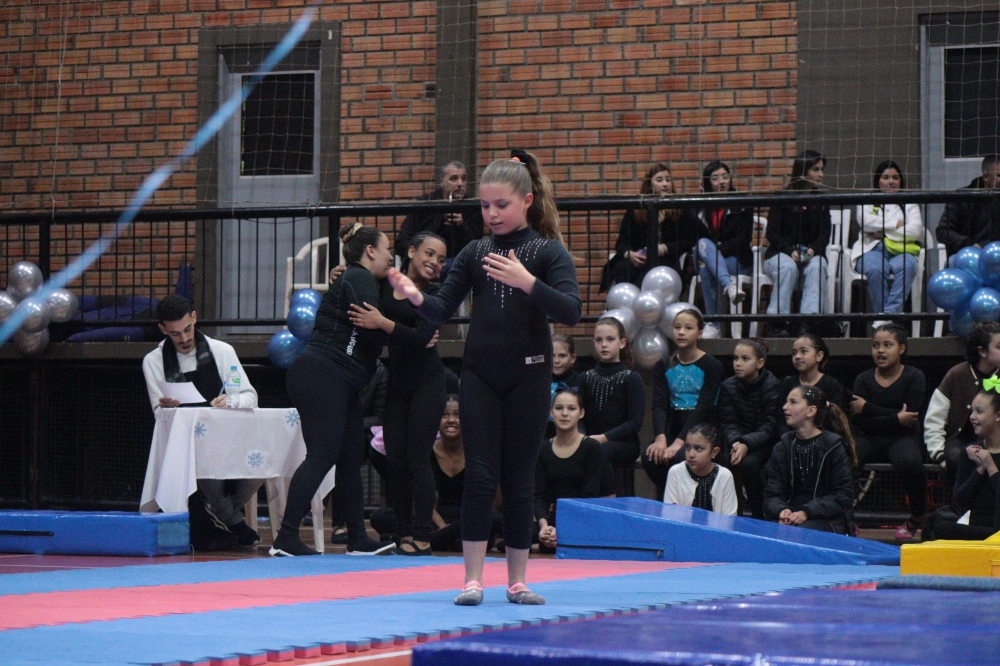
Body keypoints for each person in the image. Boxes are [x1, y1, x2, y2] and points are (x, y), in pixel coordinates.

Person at [387, 149, 581, 606]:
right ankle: (472, 579)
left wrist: (527, 281)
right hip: (480, 377)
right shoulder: (475, 252)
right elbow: (441, 309)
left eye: (501, 205)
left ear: (527, 201)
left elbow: (571, 311)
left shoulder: (547, 251)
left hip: (528, 377)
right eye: (485, 205)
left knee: (518, 480)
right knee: (479, 476)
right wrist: (416, 296)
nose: (491, 214)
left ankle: (517, 581)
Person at [269, 222, 397, 557]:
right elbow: (371, 331)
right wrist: (397, 330)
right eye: (387, 249)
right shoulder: (359, 277)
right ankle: (286, 537)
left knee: (351, 458)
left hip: (338, 378)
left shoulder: (357, 278)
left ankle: (358, 538)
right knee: (322, 455)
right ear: (370, 251)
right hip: (323, 374)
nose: (391, 256)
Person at [348, 232, 449, 556]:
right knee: (395, 461)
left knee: (417, 459)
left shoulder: (435, 294)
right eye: (429, 254)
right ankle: (404, 532)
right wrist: (341, 272)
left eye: (441, 259)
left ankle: (423, 536)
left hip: (428, 383)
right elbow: (361, 283)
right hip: (398, 383)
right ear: (412, 251)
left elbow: (420, 338)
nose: (434, 262)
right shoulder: (385, 283)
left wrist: (382, 323)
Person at [141, 295, 261, 550]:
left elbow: (250, 397)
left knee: (264, 461)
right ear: (163, 329)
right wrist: (166, 409)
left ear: (194, 318)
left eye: (187, 329)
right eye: (175, 334)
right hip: (186, 445)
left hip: (230, 438)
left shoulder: (222, 351)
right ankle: (230, 517)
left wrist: (231, 400)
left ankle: (223, 513)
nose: (184, 338)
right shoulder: (153, 361)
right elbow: (158, 415)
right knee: (198, 455)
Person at [849, 323, 927, 539]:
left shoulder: (915, 376)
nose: (880, 351)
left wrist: (868, 408)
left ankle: (916, 518)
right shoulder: (863, 379)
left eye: (887, 345)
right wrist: (895, 418)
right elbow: (861, 422)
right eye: (875, 345)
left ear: (901, 348)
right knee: (845, 455)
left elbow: (910, 418)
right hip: (871, 437)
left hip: (903, 438)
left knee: (910, 462)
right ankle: (845, 517)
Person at [643, 309, 724, 500]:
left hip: (702, 427)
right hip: (673, 425)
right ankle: (668, 501)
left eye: (688, 328)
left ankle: (691, 503)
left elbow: (703, 407)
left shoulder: (711, 365)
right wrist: (660, 439)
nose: (681, 332)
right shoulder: (663, 365)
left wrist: (680, 443)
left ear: (700, 333)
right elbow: (659, 405)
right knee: (651, 456)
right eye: (677, 327)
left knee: (681, 456)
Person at [764, 385, 857, 533]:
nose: (785, 407)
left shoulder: (833, 446)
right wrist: (782, 510)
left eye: (793, 402)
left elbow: (843, 496)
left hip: (826, 518)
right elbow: (772, 495)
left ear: (811, 411)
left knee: (799, 533)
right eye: (786, 402)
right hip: (791, 515)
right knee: (770, 532)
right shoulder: (782, 447)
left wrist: (806, 512)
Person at [599, 163, 699, 291]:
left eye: (668, 180)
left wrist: (664, 248)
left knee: (652, 271)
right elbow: (621, 243)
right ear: (650, 185)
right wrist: (630, 254)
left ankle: (641, 300)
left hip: (666, 259)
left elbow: (689, 240)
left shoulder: (680, 209)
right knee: (623, 268)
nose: (665, 184)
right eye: (659, 180)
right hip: (638, 258)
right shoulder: (636, 209)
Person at [535, 389, 613, 553]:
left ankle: (544, 544)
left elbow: (589, 496)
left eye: (571, 408)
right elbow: (539, 495)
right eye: (559, 408)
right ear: (551, 412)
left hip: (583, 519)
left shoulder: (591, 448)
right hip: (552, 520)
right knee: (509, 529)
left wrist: (562, 530)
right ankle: (543, 541)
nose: (564, 413)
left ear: (581, 413)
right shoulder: (543, 448)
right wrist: (544, 527)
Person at [763, 150, 831, 337]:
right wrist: (789, 251)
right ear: (802, 171)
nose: (821, 174)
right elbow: (772, 233)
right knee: (788, 267)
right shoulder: (781, 197)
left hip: (810, 253)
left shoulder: (822, 200)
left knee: (818, 266)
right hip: (780, 253)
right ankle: (777, 323)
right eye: (816, 169)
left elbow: (825, 235)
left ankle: (809, 323)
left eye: (822, 169)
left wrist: (813, 250)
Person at [578, 316, 645, 495]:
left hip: (624, 443)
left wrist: (604, 437)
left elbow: (634, 423)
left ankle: (610, 498)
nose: (604, 345)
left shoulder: (632, 378)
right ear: (594, 343)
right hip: (590, 440)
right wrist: (583, 437)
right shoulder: (584, 377)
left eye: (610, 339)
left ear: (622, 343)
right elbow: (578, 416)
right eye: (599, 340)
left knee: (598, 451)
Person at [718, 338, 783, 519]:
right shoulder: (728, 386)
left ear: (760, 363)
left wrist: (746, 443)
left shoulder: (772, 385)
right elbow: (728, 421)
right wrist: (736, 442)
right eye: (735, 358)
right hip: (737, 442)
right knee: (727, 460)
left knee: (749, 464)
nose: (738, 363)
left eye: (745, 359)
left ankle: (758, 516)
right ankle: (731, 517)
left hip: (764, 443)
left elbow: (770, 425)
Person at [924, 322, 1000, 476]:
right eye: (999, 347)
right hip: (960, 440)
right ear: (982, 351)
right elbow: (934, 419)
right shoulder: (957, 374)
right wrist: (939, 454)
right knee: (957, 457)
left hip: (995, 440)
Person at [851, 161, 924, 318]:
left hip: (901, 250)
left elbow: (915, 230)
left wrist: (882, 232)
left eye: (895, 178)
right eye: (886, 177)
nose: (891, 181)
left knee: (908, 266)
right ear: (878, 181)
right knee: (877, 269)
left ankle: (887, 317)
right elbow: (865, 221)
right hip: (872, 249)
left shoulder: (909, 203)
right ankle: (885, 319)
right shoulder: (868, 199)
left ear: (901, 181)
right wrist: (895, 224)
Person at [929, 384, 1000, 541]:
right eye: (972, 411)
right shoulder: (970, 452)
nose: (972, 417)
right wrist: (979, 469)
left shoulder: (988, 459)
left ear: (998, 416)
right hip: (979, 530)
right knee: (938, 526)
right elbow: (961, 502)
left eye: (979, 411)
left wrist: (991, 467)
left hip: (998, 531)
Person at [330, 359, 388, 545]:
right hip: (336, 429)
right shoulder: (337, 365)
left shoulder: (380, 372)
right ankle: (338, 524)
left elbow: (379, 417)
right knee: (337, 453)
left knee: (348, 454)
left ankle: (384, 523)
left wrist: (353, 424)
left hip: (367, 433)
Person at [694, 160, 753, 334]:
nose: (722, 181)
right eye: (715, 178)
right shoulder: (699, 207)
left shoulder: (742, 204)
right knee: (703, 244)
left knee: (707, 269)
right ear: (707, 182)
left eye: (725, 177)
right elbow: (694, 237)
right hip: (707, 257)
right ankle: (729, 286)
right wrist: (712, 252)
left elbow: (743, 239)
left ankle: (714, 324)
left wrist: (717, 251)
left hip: (737, 260)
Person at [396, 161, 484, 270]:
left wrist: (461, 226)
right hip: (425, 263)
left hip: (458, 265)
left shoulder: (472, 207)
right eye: (454, 179)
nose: (460, 183)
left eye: (464, 179)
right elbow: (401, 241)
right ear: (442, 181)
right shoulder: (426, 203)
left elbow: (476, 246)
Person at [664, 424, 737, 515]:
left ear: (714, 452)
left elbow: (729, 518)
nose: (691, 454)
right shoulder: (676, 472)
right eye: (688, 447)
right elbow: (669, 514)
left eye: (698, 449)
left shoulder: (725, 476)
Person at [936, 154, 1000, 257]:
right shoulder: (962, 198)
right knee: (954, 262)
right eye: (999, 175)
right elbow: (943, 231)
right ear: (986, 177)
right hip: (967, 254)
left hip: (997, 255)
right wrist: (968, 244)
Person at [779, 333, 844, 412]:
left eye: (804, 351)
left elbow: (834, 415)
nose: (797, 356)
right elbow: (781, 414)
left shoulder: (831, 385)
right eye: (794, 353)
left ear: (819, 356)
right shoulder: (787, 383)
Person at [546, 332, 579, 438]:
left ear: (572, 358)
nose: (556, 361)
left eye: (562, 356)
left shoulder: (580, 382)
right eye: (552, 355)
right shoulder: (540, 383)